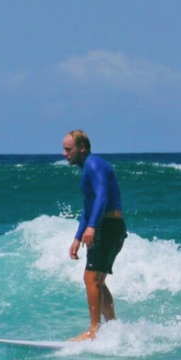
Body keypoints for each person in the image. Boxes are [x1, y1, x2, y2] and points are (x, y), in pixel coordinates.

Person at [62, 130, 126, 339]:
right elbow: (88, 207)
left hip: (107, 226)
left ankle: (94, 330)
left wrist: (92, 227)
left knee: (90, 277)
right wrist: (78, 236)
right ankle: (113, 327)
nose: (65, 154)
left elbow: (102, 197)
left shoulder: (94, 164)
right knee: (98, 280)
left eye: (68, 149)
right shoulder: (87, 168)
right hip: (108, 226)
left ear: (82, 148)